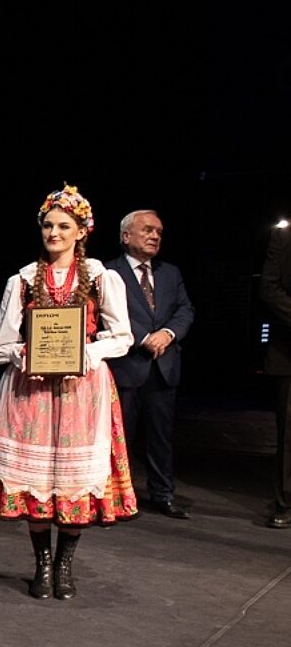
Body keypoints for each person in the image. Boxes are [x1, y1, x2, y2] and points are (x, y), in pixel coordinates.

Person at [0, 184, 138, 599]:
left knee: (71, 480)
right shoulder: (23, 280)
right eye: (48, 225)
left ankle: (64, 564)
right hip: (31, 391)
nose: (54, 233)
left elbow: (122, 336)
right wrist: (24, 353)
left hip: (81, 390)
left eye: (64, 226)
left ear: (81, 231)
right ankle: (42, 563)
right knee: (35, 479)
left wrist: (87, 353)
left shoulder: (102, 277)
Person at [106, 210, 195, 518]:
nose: (155, 236)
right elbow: (107, 314)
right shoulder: (108, 272)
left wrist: (168, 333)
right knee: (120, 437)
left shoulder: (170, 272)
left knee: (161, 437)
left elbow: (185, 309)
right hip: (126, 366)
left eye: (158, 231)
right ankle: (118, 497)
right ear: (126, 236)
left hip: (163, 366)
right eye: (147, 230)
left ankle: (162, 494)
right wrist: (144, 337)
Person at [260, 221, 291, 528]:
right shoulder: (284, 236)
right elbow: (269, 288)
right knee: (289, 435)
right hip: (289, 352)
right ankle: (287, 502)